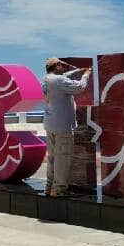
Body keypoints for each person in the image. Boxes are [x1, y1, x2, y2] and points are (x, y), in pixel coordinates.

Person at [41, 57, 92, 197]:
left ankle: (49, 186)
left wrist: (78, 70)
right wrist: (86, 74)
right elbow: (79, 87)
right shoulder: (59, 81)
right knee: (62, 158)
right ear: (56, 66)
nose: (63, 67)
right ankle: (59, 189)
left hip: (51, 124)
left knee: (52, 158)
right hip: (62, 126)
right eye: (61, 65)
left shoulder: (46, 79)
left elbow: (64, 76)